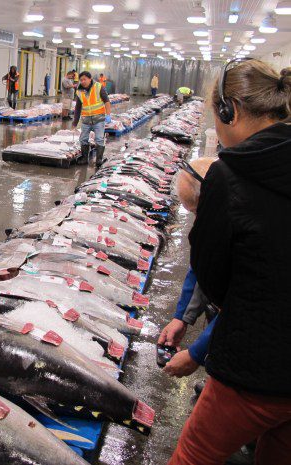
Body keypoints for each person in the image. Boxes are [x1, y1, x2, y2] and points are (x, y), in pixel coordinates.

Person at [168, 59, 291, 465]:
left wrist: (201, 343)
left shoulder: (230, 173)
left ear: (229, 110)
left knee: (193, 456)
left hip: (256, 366)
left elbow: (215, 279)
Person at [157, 157, 216, 378]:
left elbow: (243, 308)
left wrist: (196, 353)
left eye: (196, 212)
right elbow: (199, 267)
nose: (197, 219)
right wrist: (182, 317)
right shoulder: (214, 225)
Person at [72, 71, 112, 168]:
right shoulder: (79, 91)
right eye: (81, 80)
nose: (83, 81)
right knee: (83, 139)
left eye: (85, 79)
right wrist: (75, 123)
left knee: (99, 139)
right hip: (86, 120)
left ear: (90, 79)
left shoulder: (98, 86)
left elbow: (106, 101)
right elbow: (78, 107)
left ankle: (99, 160)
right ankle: (85, 158)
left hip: (98, 119)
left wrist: (108, 114)